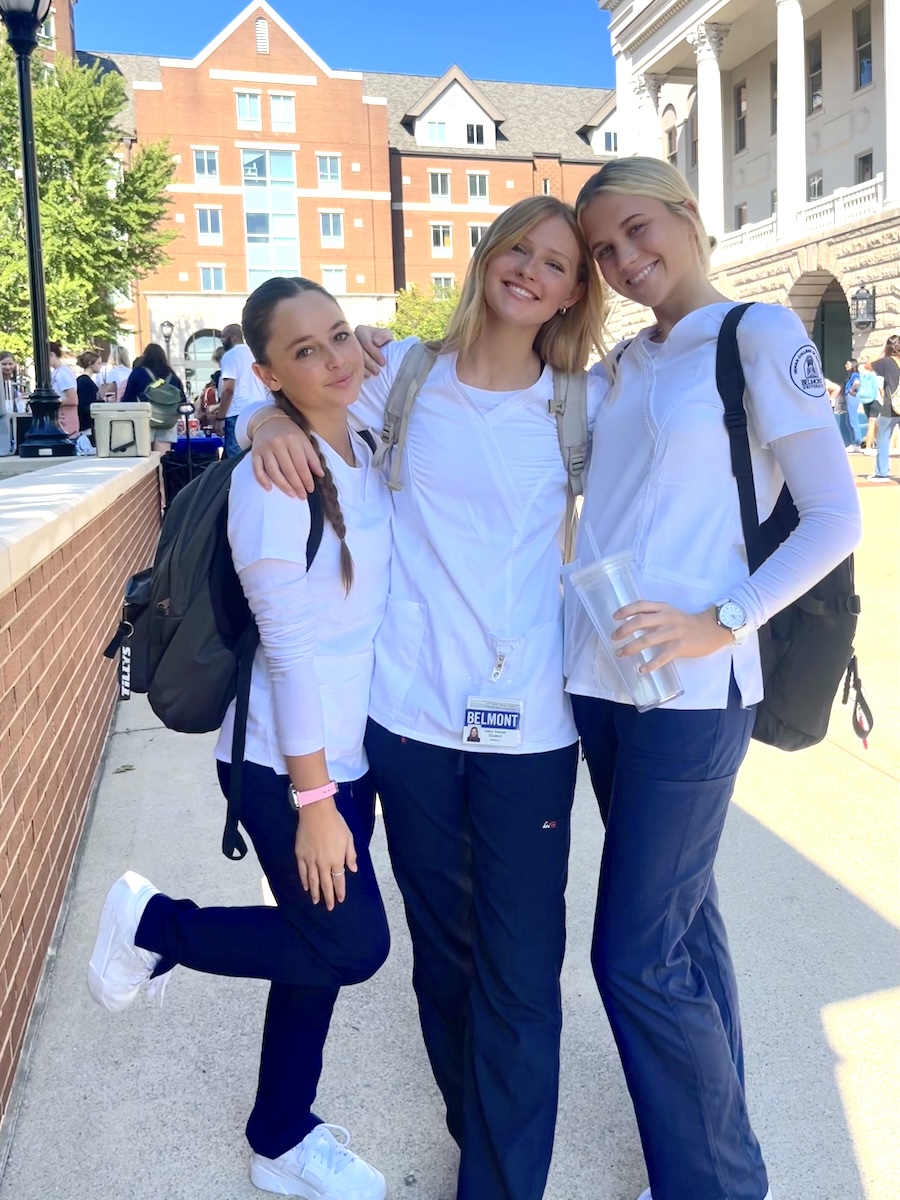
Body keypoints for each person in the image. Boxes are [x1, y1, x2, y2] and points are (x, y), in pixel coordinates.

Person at [239, 195, 608, 1200]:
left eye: (558, 263)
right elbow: (265, 376)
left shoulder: (584, 399)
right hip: (407, 727)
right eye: (519, 249)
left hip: (530, 727)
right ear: (487, 256)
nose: (532, 271)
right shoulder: (400, 373)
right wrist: (267, 416)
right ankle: (477, 1128)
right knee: (443, 963)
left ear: (577, 292)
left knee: (523, 975)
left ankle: (499, 1183)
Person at [570, 157, 861, 1200]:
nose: (625, 260)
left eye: (639, 231)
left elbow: (837, 515)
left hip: (694, 697)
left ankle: (717, 1182)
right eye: (603, 250)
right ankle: (713, 1131)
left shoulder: (760, 337)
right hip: (601, 684)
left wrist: (722, 619)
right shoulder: (625, 362)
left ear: (689, 218)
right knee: (682, 923)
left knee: (631, 957)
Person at [87, 277, 393, 1200]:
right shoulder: (275, 484)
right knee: (352, 948)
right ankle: (151, 925)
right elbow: (292, 655)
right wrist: (314, 804)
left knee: (313, 949)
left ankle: (281, 1134)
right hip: (285, 763)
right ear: (266, 371)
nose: (335, 358)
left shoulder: (360, 436)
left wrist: (265, 410)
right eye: (305, 351)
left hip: (352, 753)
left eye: (338, 335)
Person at [213, 322, 268, 458]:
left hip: (237, 412)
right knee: (259, 456)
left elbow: (228, 390)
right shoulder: (256, 353)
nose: (221, 340)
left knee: (236, 460)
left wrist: (220, 418)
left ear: (233, 337)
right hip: (261, 410)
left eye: (223, 336)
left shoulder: (230, 356)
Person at [121, 342, 187, 453]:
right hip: (167, 422)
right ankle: (161, 471)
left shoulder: (138, 372)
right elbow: (182, 400)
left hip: (144, 420)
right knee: (163, 458)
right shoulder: (172, 376)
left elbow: (128, 398)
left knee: (146, 460)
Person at [868, 334, 900, 482]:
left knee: (883, 439)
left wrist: (882, 348)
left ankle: (882, 473)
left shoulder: (887, 362)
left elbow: (868, 364)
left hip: (891, 407)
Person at [48, 341, 79, 435]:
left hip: (65, 422)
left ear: (51, 355)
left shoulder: (63, 373)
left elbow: (73, 400)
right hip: (61, 421)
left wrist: (51, 403)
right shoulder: (57, 372)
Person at [856, 357, 883, 452]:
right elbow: (881, 390)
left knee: (873, 423)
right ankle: (868, 447)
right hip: (876, 400)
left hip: (865, 400)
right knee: (872, 423)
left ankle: (874, 443)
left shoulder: (863, 374)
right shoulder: (878, 376)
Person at [75, 350, 103, 433]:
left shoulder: (83, 380)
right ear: (90, 364)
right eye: (98, 363)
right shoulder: (85, 381)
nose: (101, 366)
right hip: (86, 425)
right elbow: (86, 405)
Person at [840, 358, 861, 449]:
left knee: (853, 421)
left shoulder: (855, 375)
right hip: (849, 397)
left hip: (852, 397)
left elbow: (856, 382)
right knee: (848, 422)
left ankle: (857, 443)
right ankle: (854, 442)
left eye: (847, 364)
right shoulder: (851, 375)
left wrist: (851, 390)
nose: (845, 365)